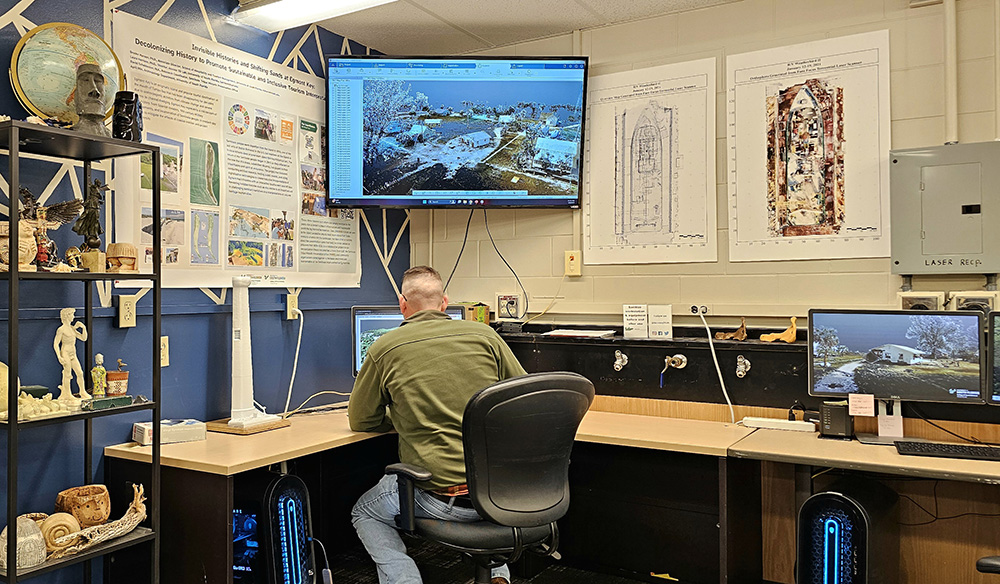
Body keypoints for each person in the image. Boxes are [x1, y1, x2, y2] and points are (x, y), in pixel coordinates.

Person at [349, 266, 526, 584]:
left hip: (441, 499)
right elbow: (525, 399)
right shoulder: (486, 335)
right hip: (503, 494)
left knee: (364, 511)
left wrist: (402, 415)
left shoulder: (384, 348)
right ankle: (498, 577)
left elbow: (361, 420)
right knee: (484, 507)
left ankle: (405, 580)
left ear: (402, 305)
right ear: (444, 302)